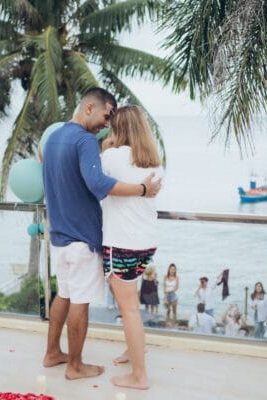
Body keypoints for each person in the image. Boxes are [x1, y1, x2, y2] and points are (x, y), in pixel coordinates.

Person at [41, 88, 162, 381]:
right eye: (106, 115)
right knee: (79, 301)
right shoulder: (84, 140)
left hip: (58, 233)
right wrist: (142, 190)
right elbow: (97, 183)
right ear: (90, 107)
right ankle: (75, 366)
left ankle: (52, 353)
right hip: (82, 237)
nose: (107, 124)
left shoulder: (54, 137)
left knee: (64, 295)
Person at [100, 104, 164, 390]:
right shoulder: (153, 160)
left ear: (119, 129)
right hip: (145, 244)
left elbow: (95, 182)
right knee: (132, 305)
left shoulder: (112, 157)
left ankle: (140, 376)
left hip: (121, 244)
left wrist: (104, 147)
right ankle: (133, 350)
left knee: (129, 310)